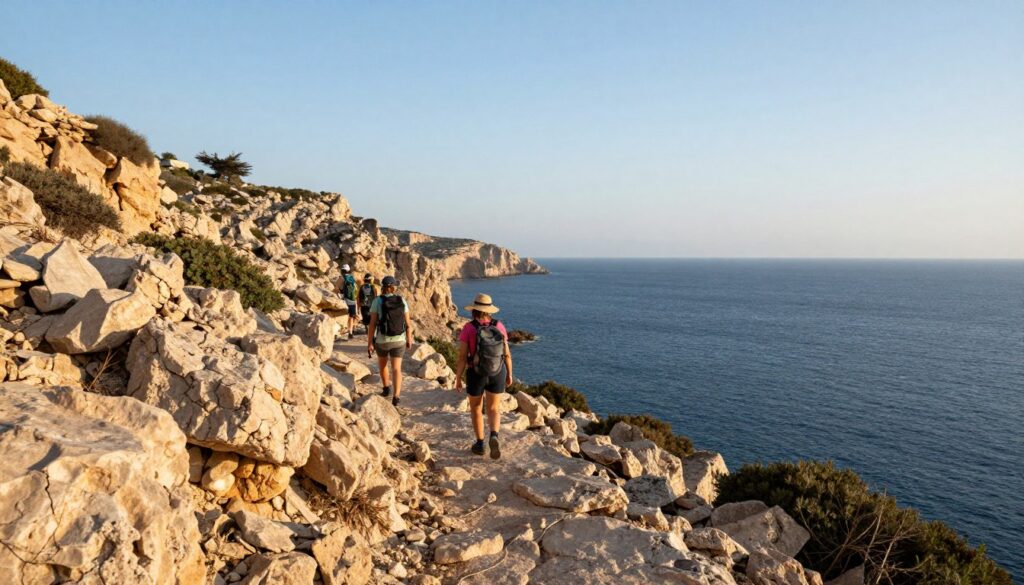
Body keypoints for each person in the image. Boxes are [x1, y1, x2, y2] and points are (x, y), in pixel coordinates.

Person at [454, 293, 513, 459]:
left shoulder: (469, 328)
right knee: (494, 408)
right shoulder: (499, 326)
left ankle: (480, 444)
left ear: (474, 310)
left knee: (476, 408)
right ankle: (494, 435)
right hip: (497, 372)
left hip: (476, 373)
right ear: (489, 311)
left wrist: (458, 378)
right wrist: (509, 374)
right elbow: (507, 354)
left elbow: (462, 357)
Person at [367, 276, 412, 408]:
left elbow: (372, 324)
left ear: (383, 287)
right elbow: (408, 324)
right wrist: (409, 338)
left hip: (382, 340)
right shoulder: (402, 300)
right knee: (397, 369)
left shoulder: (377, 301)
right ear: (393, 287)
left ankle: (386, 388)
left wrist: (370, 342)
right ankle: (396, 396)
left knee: (382, 366)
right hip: (399, 340)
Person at [336, 264, 358, 340]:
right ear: (349, 270)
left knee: (344, 316)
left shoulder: (341, 278)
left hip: (345, 299)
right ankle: (350, 332)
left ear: (342, 270)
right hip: (352, 300)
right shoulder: (352, 278)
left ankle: (344, 332)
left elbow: (336, 288)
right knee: (351, 317)